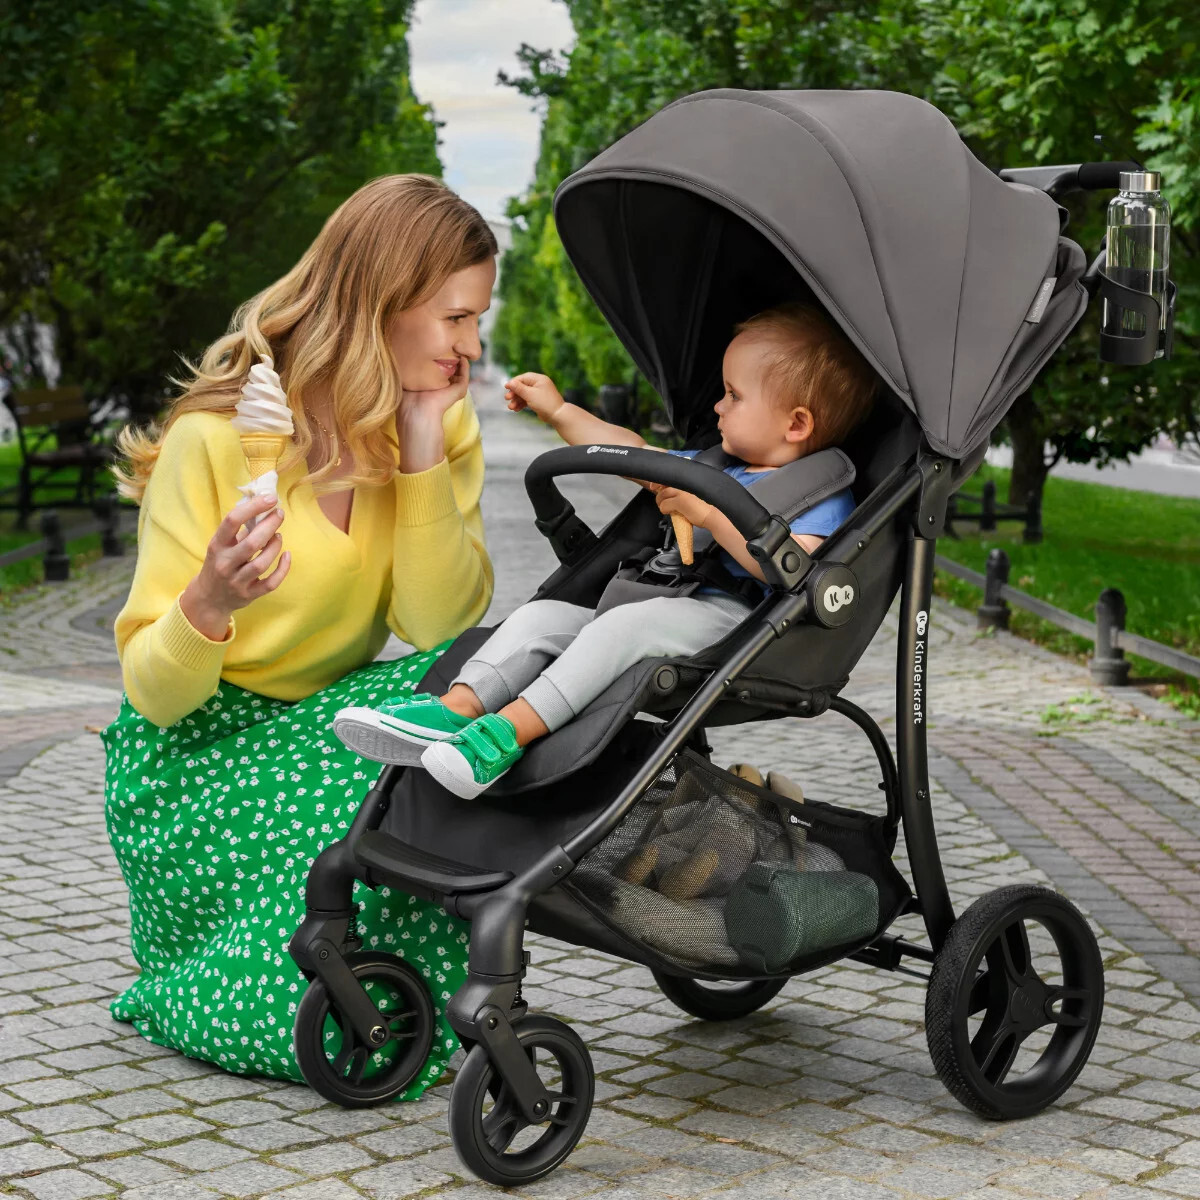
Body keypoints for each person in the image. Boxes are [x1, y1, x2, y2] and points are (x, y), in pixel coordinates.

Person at [102, 174, 496, 1097]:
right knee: (294, 1014)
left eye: (477, 320)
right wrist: (207, 601)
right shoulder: (216, 438)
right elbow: (153, 693)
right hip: (192, 760)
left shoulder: (436, 420)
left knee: (476, 683)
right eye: (455, 319)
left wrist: (423, 443)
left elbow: (438, 623)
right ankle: (195, 973)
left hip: (319, 731)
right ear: (380, 302)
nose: (471, 347)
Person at [335, 302, 877, 799]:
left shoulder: (820, 497)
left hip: (736, 624)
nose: (717, 404)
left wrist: (712, 514)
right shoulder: (715, 465)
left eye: (733, 395)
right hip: (661, 604)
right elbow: (631, 450)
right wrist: (558, 412)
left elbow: (794, 570)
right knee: (544, 616)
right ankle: (455, 710)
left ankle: (503, 737)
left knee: (623, 629)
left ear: (796, 423)